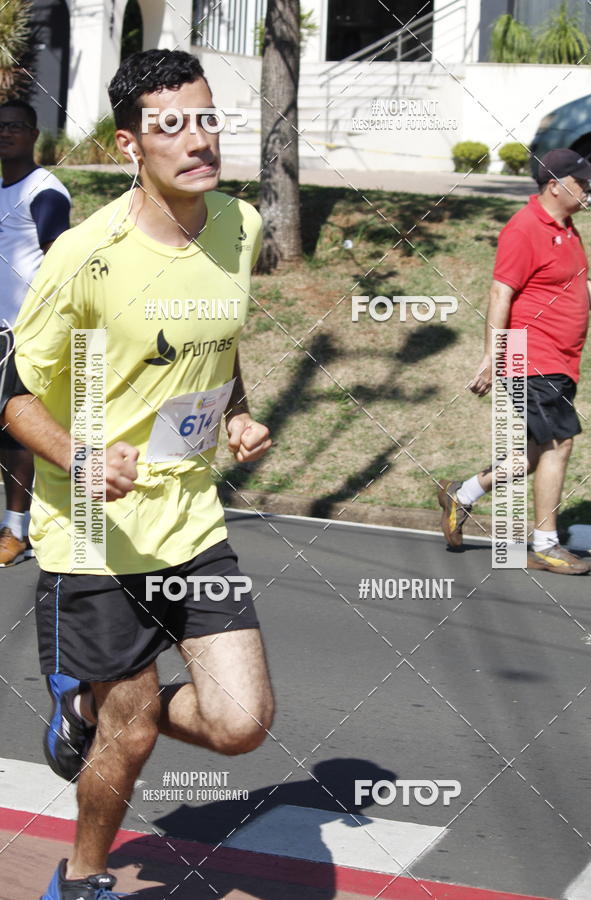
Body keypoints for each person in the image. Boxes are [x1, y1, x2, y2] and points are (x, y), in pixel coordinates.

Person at [3, 49, 274, 900]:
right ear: (129, 146)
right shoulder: (86, 254)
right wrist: (81, 456)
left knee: (241, 723)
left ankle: (86, 707)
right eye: (170, 126)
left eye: (206, 119)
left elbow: (218, 339)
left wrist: (234, 410)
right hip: (95, 527)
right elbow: (10, 389)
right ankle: (82, 877)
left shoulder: (240, 225)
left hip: (190, 520)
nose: (198, 140)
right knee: (135, 730)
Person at [438, 148, 591, 575]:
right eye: (582, 182)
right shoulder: (523, 229)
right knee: (558, 444)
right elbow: (500, 294)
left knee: (533, 455)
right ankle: (546, 544)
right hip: (529, 356)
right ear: (555, 185)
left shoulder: (566, 228)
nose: (589, 189)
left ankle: (462, 494)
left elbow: (581, 288)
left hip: (562, 361)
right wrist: (492, 356)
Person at [0, 99, 70, 566]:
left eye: (16, 127)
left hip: (21, 333)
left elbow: (62, 264)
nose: (6, 133)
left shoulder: (45, 190)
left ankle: (16, 531)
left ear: (34, 134)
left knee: (13, 436)